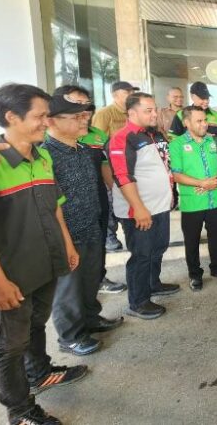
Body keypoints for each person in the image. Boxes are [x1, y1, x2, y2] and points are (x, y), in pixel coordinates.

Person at [0, 84, 87, 425]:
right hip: (11, 274)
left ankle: (40, 372)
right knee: (8, 346)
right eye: (39, 116)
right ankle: (20, 412)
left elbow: (55, 208)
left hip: (45, 263)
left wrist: (66, 244)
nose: (45, 122)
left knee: (36, 324)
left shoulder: (42, 156)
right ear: (11, 117)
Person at [43, 94, 124, 356]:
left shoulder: (81, 147)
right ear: (52, 121)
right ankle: (70, 336)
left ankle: (91, 318)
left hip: (91, 224)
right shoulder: (45, 154)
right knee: (68, 288)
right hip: (66, 233)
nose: (84, 120)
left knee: (90, 278)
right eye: (77, 117)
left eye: (85, 115)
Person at [108, 92, 178, 320]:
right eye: (148, 110)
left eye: (154, 109)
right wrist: (138, 208)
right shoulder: (123, 138)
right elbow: (122, 176)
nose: (154, 113)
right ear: (132, 113)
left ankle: (153, 284)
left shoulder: (154, 134)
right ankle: (138, 302)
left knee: (158, 248)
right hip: (140, 211)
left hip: (159, 206)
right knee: (141, 255)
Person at [53, 86, 127, 295]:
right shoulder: (47, 147)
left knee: (97, 247)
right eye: (76, 108)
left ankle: (98, 282)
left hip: (96, 200)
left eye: (86, 108)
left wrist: (120, 195)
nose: (83, 114)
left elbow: (105, 167)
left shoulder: (94, 137)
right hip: (67, 214)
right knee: (72, 273)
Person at [169, 106, 217, 291]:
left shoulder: (215, 141)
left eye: (205, 120)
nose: (204, 124)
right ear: (187, 123)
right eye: (199, 121)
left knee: (216, 237)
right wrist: (202, 183)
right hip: (192, 203)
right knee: (192, 240)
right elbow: (177, 175)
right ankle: (195, 274)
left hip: (215, 200)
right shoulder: (177, 145)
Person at [92, 80, 138, 253]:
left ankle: (131, 235)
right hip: (110, 168)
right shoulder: (105, 114)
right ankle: (110, 237)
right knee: (112, 204)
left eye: (132, 92)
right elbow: (97, 143)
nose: (131, 95)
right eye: (127, 92)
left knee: (129, 204)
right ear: (115, 95)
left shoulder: (132, 113)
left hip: (131, 167)